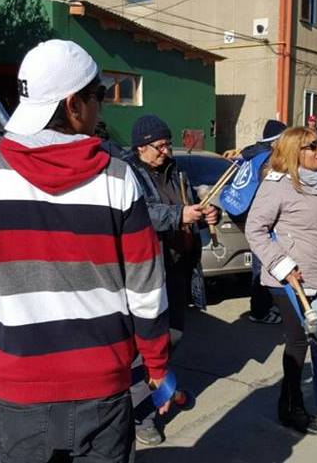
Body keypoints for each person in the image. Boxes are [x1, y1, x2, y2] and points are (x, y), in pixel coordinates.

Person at [0, 40, 171, 463]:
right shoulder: (119, 179)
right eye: (98, 99)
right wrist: (158, 368)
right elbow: (146, 292)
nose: (102, 111)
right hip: (104, 393)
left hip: (19, 395)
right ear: (75, 105)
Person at [245, 127, 317, 437]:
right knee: (297, 339)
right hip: (288, 279)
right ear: (295, 152)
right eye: (312, 146)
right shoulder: (277, 185)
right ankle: (291, 407)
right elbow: (255, 229)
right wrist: (283, 265)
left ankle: (305, 399)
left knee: (314, 339)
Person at [123, 114, 219, 446]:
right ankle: (141, 415)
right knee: (143, 345)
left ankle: (161, 387)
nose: (166, 150)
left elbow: (190, 206)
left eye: (167, 143)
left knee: (172, 336)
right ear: (140, 147)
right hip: (148, 271)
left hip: (179, 267)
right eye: (159, 145)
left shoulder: (176, 170)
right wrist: (179, 215)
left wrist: (205, 214)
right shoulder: (128, 174)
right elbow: (139, 214)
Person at [238, 119, 287, 324]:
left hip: (251, 216)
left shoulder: (251, 155)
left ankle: (264, 307)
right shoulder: (267, 160)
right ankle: (259, 312)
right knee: (263, 268)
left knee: (262, 265)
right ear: (276, 141)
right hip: (264, 220)